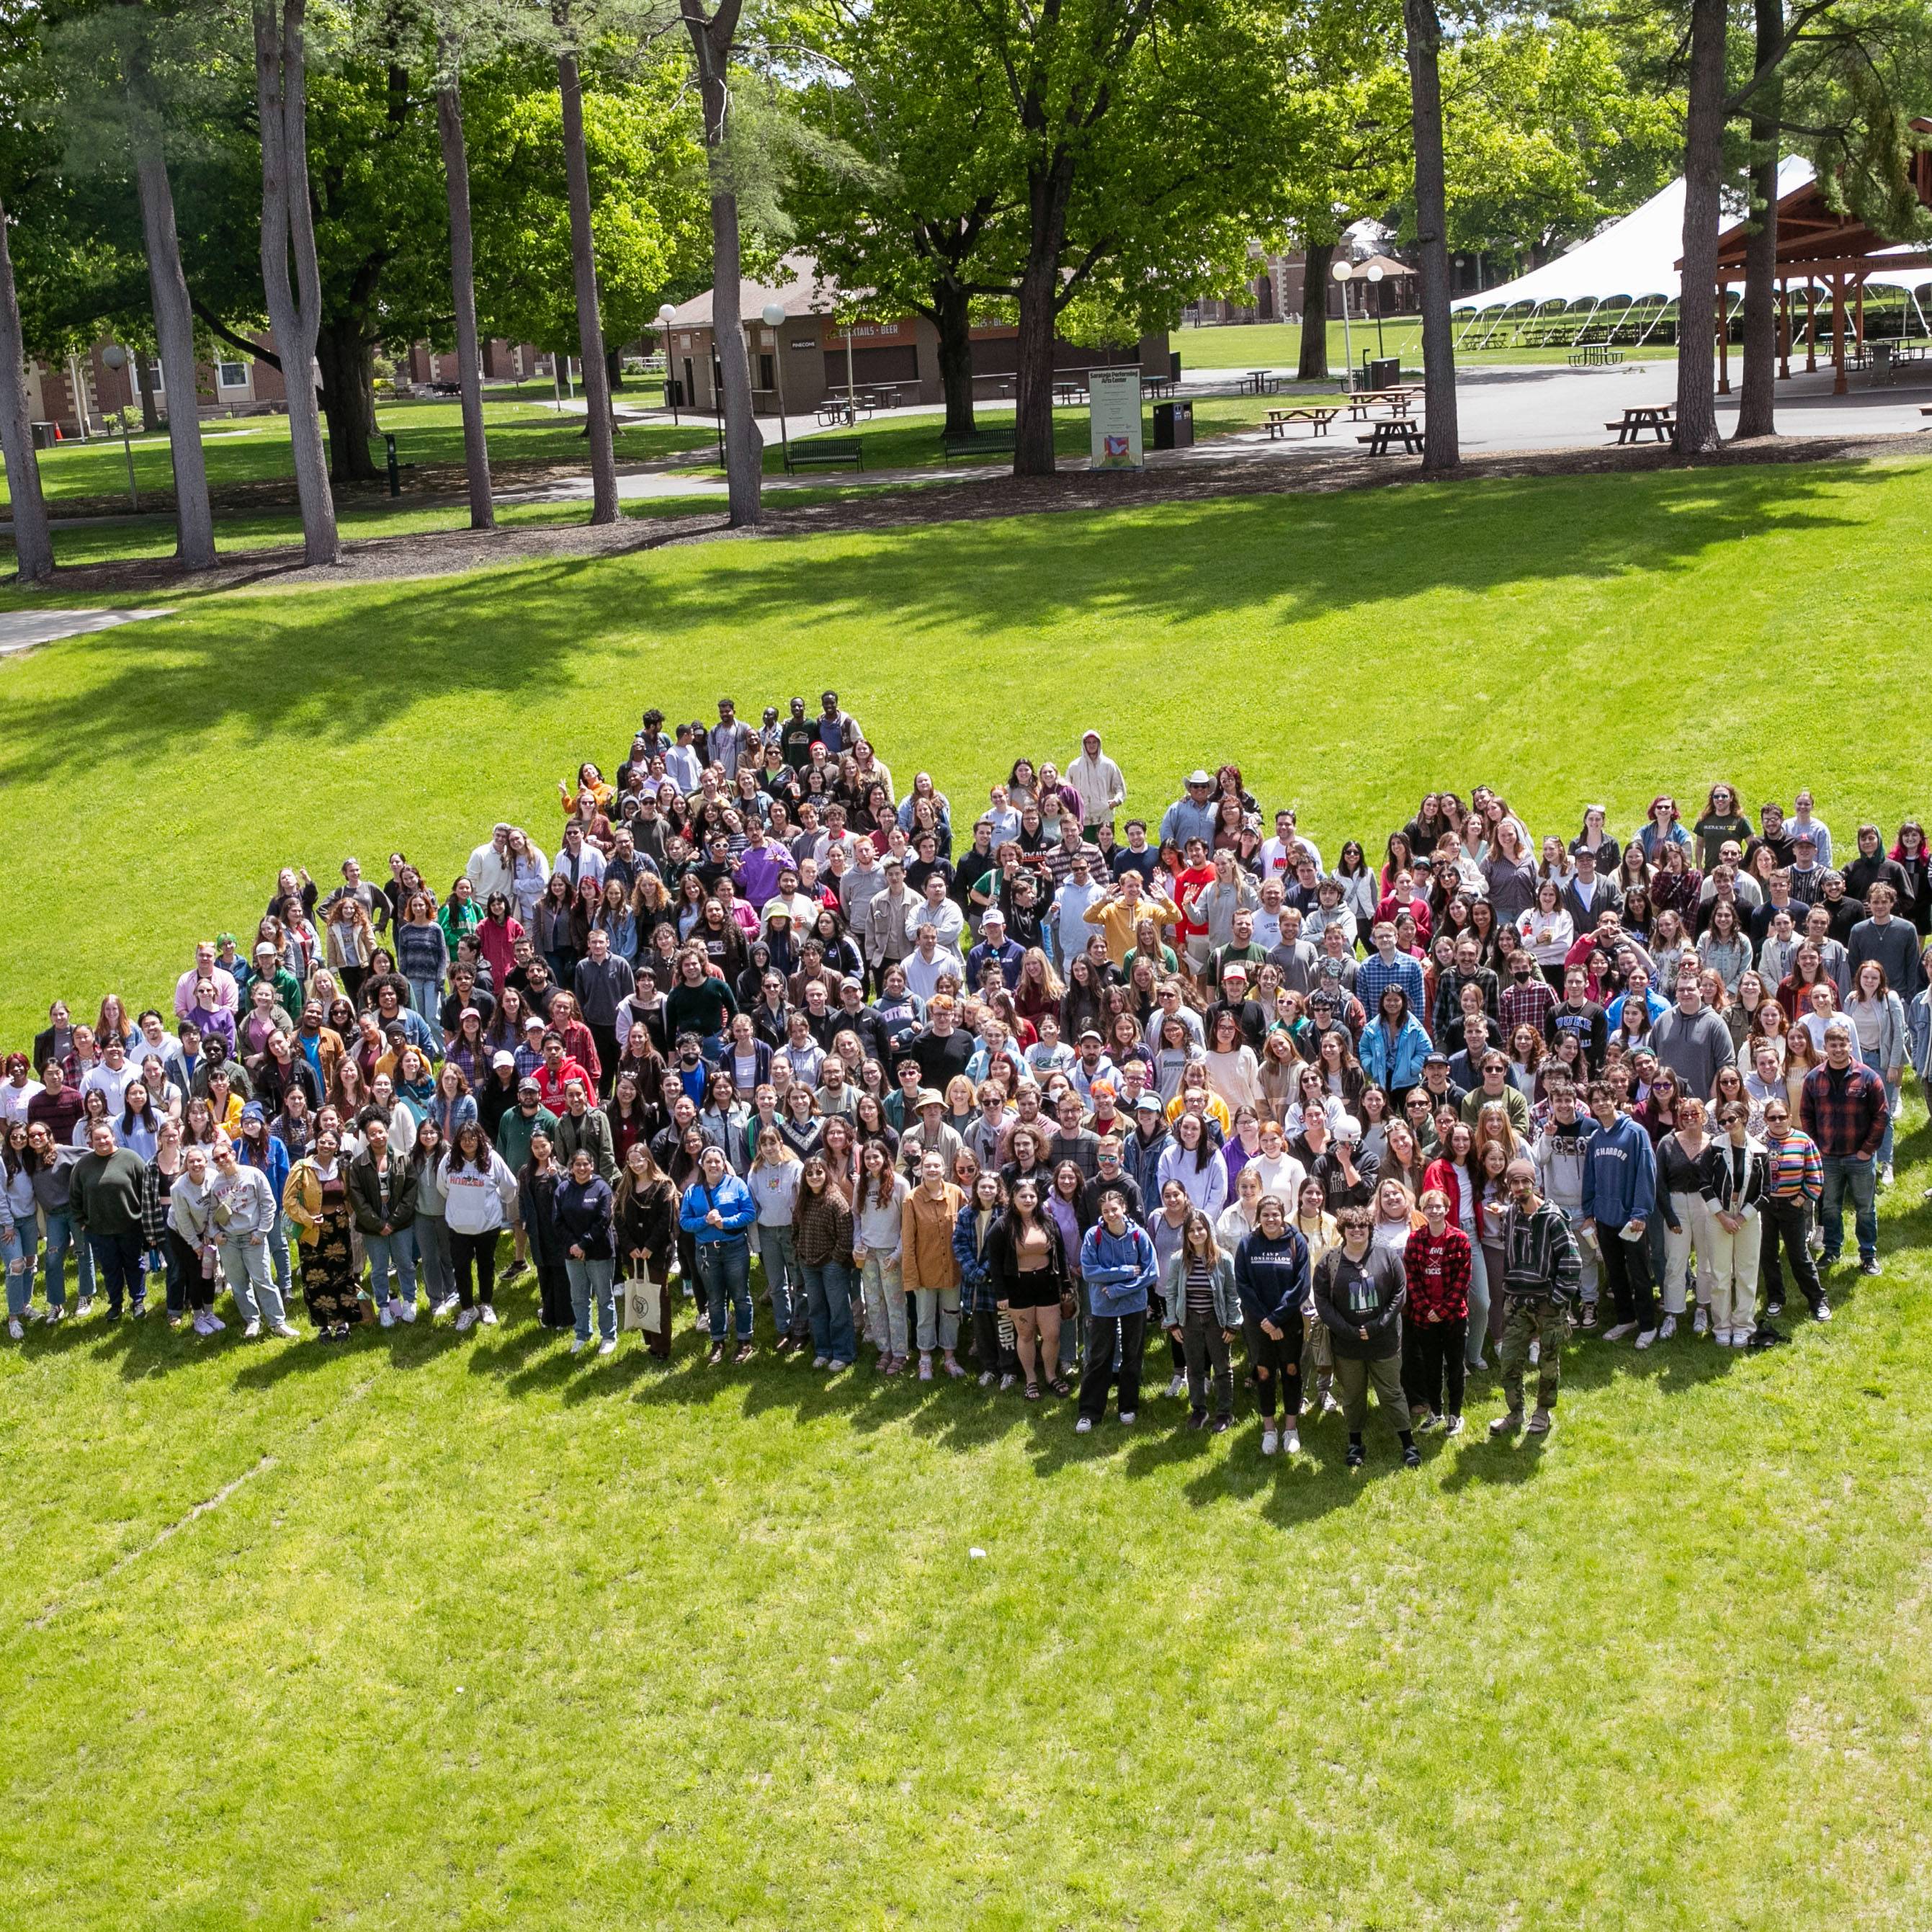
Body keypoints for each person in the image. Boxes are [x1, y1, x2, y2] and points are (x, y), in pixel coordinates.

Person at [1313, 1205, 1416, 1469]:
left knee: (1392, 1393)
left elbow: (1399, 1295)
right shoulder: (1329, 1262)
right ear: (1343, 1231)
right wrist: (1347, 1331)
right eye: (1351, 1227)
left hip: (1384, 1342)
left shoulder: (1388, 1257)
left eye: (1362, 1226)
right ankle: (1355, 1442)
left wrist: (1377, 1326)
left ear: (1370, 1229)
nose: (1357, 1231)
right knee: (1353, 1395)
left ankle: (1408, 1443)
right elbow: (1323, 1303)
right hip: (1347, 1346)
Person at [1488, 1158, 1580, 1439]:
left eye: (1524, 1181)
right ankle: (1515, 1414)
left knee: (1548, 1363)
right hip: (1517, 1303)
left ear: (1535, 1184)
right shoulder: (1512, 1214)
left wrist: (1557, 1299)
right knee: (1509, 1363)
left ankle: (1543, 1411)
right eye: (1514, 1182)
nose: (1519, 1187)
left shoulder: (1553, 1218)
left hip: (1547, 1305)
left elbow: (1572, 1261)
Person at [1799, 1017, 1887, 1276]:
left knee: (1865, 1208)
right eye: (1832, 1045)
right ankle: (1832, 1250)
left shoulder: (1869, 1078)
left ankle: (1868, 1254)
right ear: (1825, 1047)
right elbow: (1806, 1114)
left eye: (1842, 1044)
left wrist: (1867, 1149)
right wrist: (1817, 1147)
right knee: (1830, 1207)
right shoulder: (1814, 1078)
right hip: (1828, 1157)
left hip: (1859, 1157)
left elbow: (1881, 1116)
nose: (1837, 1049)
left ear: (1850, 1045)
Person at [1582, 1079, 1658, 1347]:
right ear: (1590, 1106)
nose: (1601, 1104)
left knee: (1639, 1273)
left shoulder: (1636, 1133)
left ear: (1614, 1100)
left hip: (1631, 1219)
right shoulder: (1595, 1138)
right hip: (1604, 1218)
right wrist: (1589, 1211)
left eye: (1605, 1098)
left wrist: (1640, 1212)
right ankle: (1626, 1319)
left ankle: (1648, 1325)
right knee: (1615, 1272)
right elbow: (1589, 1177)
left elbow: (1646, 1175)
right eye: (1595, 1100)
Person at [1233, 1191, 1310, 1454]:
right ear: (1258, 1217)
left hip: (1288, 1322)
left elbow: (1301, 1285)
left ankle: (1290, 1428)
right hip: (1258, 1323)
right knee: (1263, 1372)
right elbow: (1243, 1284)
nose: (1271, 1219)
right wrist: (1266, 1321)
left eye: (1275, 1214)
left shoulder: (1296, 1241)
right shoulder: (1247, 1245)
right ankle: (1269, 1429)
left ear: (1282, 1215)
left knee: (1290, 1370)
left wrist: (1276, 1318)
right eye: (1265, 1215)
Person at [1075, 1188, 1157, 1431]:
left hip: (1133, 1304)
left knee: (1133, 1356)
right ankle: (1089, 1412)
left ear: (1124, 1209)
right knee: (1099, 1357)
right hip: (1103, 1306)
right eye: (1106, 1211)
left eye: (1115, 1210)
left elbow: (1151, 1273)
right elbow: (1089, 1271)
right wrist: (1123, 1271)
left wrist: (1117, 1289)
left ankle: (1128, 1406)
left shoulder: (1139, 1235)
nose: (1111, 1215)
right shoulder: (1094, 1235)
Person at [987, 1173, 1069, 1400]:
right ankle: (1031, 1379)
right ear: (1013, 1198)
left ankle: (1051, 1376)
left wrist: (1066, 1284)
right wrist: (1001, 1293)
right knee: (1026, 1334)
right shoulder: (1002, 1226)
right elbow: (994, 1262)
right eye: (1023, 1196)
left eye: (1032, 1195)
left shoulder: (1049, 1221)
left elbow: (1060, 1255)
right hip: (1018, 1286)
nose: (1028, 1200)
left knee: (1052, 1334)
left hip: (1046, 1284)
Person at [679, 1143, 759, 1363]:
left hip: (734, 1249)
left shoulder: (737, 1185)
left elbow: (749, 1213)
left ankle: (744, 1341)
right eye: (709, 1162)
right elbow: (684, 1222)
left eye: (717, 1161)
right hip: (706, 1252)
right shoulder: (693, 1192)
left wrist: (726, 1223)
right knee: (714, 1300)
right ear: (702, 1166)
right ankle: (718, 1341)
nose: (713, 1165)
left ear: (724, 1164)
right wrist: (705, 1221)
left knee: (741, 1296)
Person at [207, 1129, 290, 1338]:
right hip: (229, 1241)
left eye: (224, 1155)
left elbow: (268, 1204)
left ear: (233, 1154)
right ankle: (252, 1321)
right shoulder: (216, 1184)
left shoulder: (253, 1174)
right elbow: (211, 1214)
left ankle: (277, 1322)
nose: (222, 1160)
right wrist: (215, 1234)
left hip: (253, 1236)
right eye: (217, 1158)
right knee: (238, 1284)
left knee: (263, 1280)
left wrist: (262, 1232)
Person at [1161, 1209, 1238, 1432]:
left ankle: (1224, 1413)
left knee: (1222, 1368)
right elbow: (1171, 1293)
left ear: (1208, 1230)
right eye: (1191, 1230)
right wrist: (1173, 1323)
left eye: (1200, 1229)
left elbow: (1232, 1294)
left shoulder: (1223, 1258)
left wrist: (1233, 1324)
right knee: (1194, 1368)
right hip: (1190, 1320)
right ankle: (1199, 1410)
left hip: (1217, 1319)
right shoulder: (1179, 1260)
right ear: (1186, 1234)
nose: (1196, 1233)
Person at [439, 1121, 519, 1331]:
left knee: (486, 1265)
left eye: (473, 1137)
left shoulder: (493, 1159)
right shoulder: (449, 1160)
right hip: (458, 1227)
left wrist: (496, 1200)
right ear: (458, 1141)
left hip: (487, 1226)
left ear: (480, 1138)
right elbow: (442, 1187)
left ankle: (486, 1304)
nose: (468, 1142)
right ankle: (467, 1309)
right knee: (461, 1268)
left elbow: (510, 1186)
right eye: (464, 1138)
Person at [1404, 1189, 1471, 1436]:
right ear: (1423, 1210)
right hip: (1423, 1317)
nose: (1434, 1211)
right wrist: (1426, 1308)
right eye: (1429, 1207)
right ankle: (1436, 1412)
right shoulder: (1415, 1240)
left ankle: (1455, 1415)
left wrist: (1442, 1310)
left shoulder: (1459, 1239)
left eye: (1438, 1206)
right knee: (1431, 1367)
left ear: (1446, 1209)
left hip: (1454, 1316)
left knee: (1455, 1367)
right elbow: (1411, 1278)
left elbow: (1462, 1281)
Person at [283, 1127, 360, 1339]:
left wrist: (347, 1209)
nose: (326, 1146)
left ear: (337, 1147)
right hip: (312, 1230)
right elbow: (288, 1201)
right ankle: (324, 1325)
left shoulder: (343, 1167)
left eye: (331, 1143)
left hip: (339, 1228)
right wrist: (308, 1218)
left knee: (342, 1275)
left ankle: (344, 1322)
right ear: (316, 1144)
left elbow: (352, 1192)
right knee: (315, 1279)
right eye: (322, 1142)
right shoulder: (302, 1168)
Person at [70, 1119, 150, 1320]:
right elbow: (75, 1195)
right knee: (110, 1269)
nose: (102, 1141)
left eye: (105, 1137)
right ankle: (115, 1304)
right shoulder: (83, 1165)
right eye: (97, 1138)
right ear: (91, 1141)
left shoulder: (131, 1159)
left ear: (113, 1137)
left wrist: (144, 1219)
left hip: (130, 1225)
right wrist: (82, 1221)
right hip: (98, 1229)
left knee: (134, 1264)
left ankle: (138, 1301)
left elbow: (146, 1190)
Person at [349, 1112, 419, 1327]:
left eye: (381, 1132)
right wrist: (379, 1224)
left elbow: (410, 1192)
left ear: (388, 1132)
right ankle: (384, 1306)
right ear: (366, 1137)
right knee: (379, 1269)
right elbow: (357, 1199)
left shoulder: (402, 1158)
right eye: (372, 1134)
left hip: (400, 1222)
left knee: (405, 1263)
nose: (378, 1136)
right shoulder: (358, 1164)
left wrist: (394, 1222)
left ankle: (409, 1301)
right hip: (373, 1226)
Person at [901, 1149, 965, 1381]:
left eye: (937, 1166)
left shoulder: (956, 1193)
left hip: (951, 1269)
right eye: (928, 1166)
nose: (932, 1170)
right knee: (925, 1317)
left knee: (951, 1314)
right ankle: (925, 1359)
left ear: (944, 1169)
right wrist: (911, 1276)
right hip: (925, 1270)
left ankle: (949, 1358)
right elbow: (907, 1241)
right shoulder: (912, 1199)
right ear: (921, 1169)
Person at [614, 1142, 681, 1359]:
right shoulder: (625, 1186)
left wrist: (650, 1247)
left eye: (640, 1160)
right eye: (632, 1162)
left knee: (659, 1297)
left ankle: (662, 1347)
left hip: (656, 1252)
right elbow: (619, 1219)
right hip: (633, 1253)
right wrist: (630, 1247)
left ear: (648, 1159)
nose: (636, 1165)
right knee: (641, 1296)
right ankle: (650, 1342)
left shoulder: (664, 1186)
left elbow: (666, 1221)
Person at [792, 1152, 855, 1371]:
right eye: (810, 1174)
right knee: (817, 1309)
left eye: (819, 1173)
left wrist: (836, 1259)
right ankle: (823, 1351)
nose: (815, 1177)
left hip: (832, 1264)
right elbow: (796, 1230)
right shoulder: (803, 1200)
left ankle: (843, 1353)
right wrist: (800, 1252)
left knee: (838, 1309)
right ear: (805, 1178)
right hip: (808, 1263)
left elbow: (846, 1235)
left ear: (826, 1175)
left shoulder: (836, 1200)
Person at [555, 1145, 618, 1355]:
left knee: (604, 1296)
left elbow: (603, 1220)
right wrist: (574, 1245)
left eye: (586, 1164)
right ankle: (582, 1334)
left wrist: (583, 1244)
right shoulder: (562, 1189)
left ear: (592, 1166)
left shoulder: (602, 1188)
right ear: (571, 1168)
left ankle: (609, 1336)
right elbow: (557, 1222)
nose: (582, 1168)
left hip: (599, 1252)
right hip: (572, 1254)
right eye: (577, 1164)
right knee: (579, 1297)